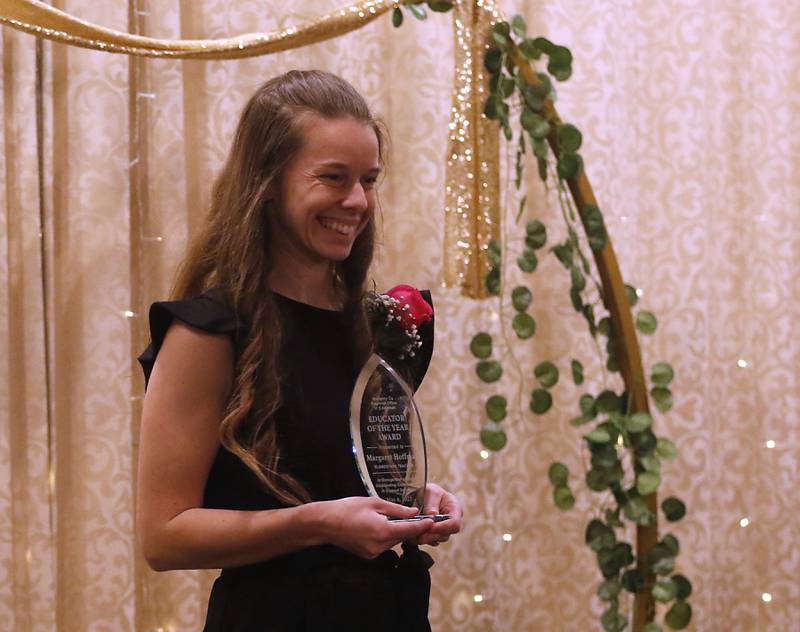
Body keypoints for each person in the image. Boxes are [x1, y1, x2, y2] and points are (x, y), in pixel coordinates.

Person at [136, 69, 463, 631]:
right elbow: (164, 537)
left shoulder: (378, 326)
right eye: (333, 178)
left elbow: (341, 475)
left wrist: (412, 500)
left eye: (369, 179)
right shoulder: (210, 332)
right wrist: (320, 524)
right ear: (267, 182)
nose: (357, 201)